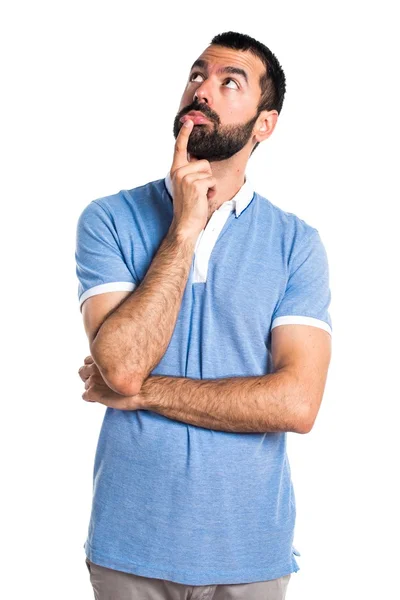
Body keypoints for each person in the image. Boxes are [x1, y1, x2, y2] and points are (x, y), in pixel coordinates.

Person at [76, 30, 332, 600]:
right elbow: (119, 366)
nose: (203, 90)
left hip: (250, 554)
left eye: (228, 82)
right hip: (130, 549)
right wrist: (185, 229)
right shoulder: (110, 220)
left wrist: (145, 392)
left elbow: (297, 402)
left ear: (264, 124)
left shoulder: (296, 244)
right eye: (197, 75)